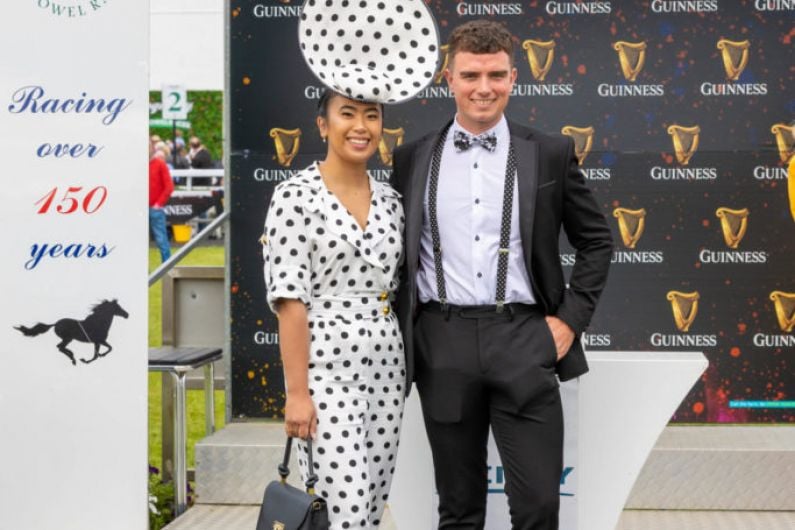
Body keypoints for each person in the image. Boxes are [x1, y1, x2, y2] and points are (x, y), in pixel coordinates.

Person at [391, 20, 613, 529]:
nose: (483, 88)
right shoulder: (411, 158)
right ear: (448, 78)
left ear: (514, 77)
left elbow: (597, 240)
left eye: (495, 75)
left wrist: (568, 323)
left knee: (539, 506)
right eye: (471, 75)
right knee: (459, 509)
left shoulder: (550, 152)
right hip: (441, 342)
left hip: (523, 337)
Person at [262, 90, 405, 529]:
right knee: (342, 511)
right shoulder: (294, 197)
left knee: (370, 508)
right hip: (325, 372)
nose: (360, 126)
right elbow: (289, 303)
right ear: (323, 125)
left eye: (371, 116)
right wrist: (297, 394)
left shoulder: (392, 201)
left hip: (387, 371)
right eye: (347, 114)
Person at [149, 138, 174, 262]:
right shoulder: (141, 165)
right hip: (142, 209)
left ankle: (167, 267)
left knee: (161, 239)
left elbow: (169, 186)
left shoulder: (160, 164)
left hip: (154, 208)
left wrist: (158, 203)